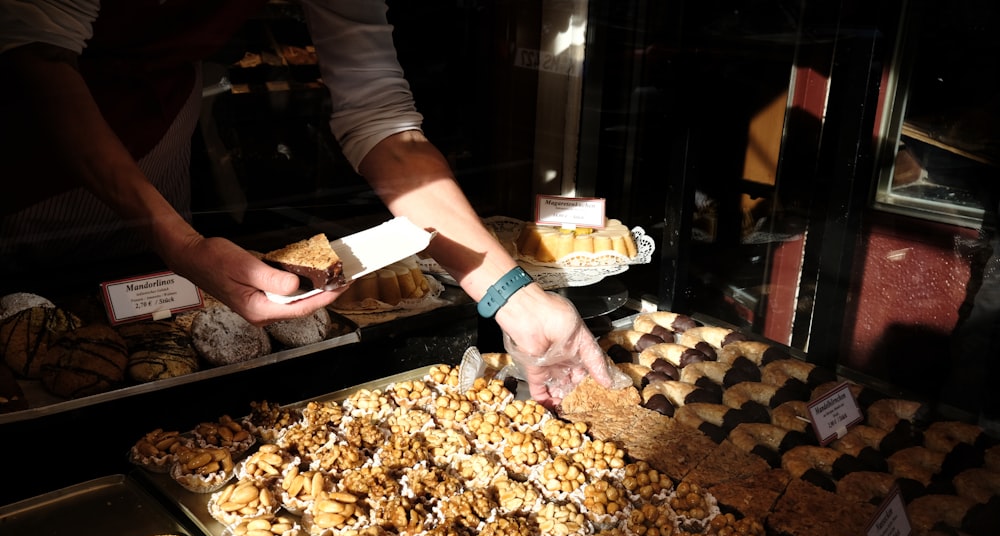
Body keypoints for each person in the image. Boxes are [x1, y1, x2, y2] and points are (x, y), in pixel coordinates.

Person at [0, 0, 618, 407]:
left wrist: (514, 296)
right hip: (30, 149)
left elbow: (383, 121)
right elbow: (36, 55)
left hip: (155, 144)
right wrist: (181, 244)